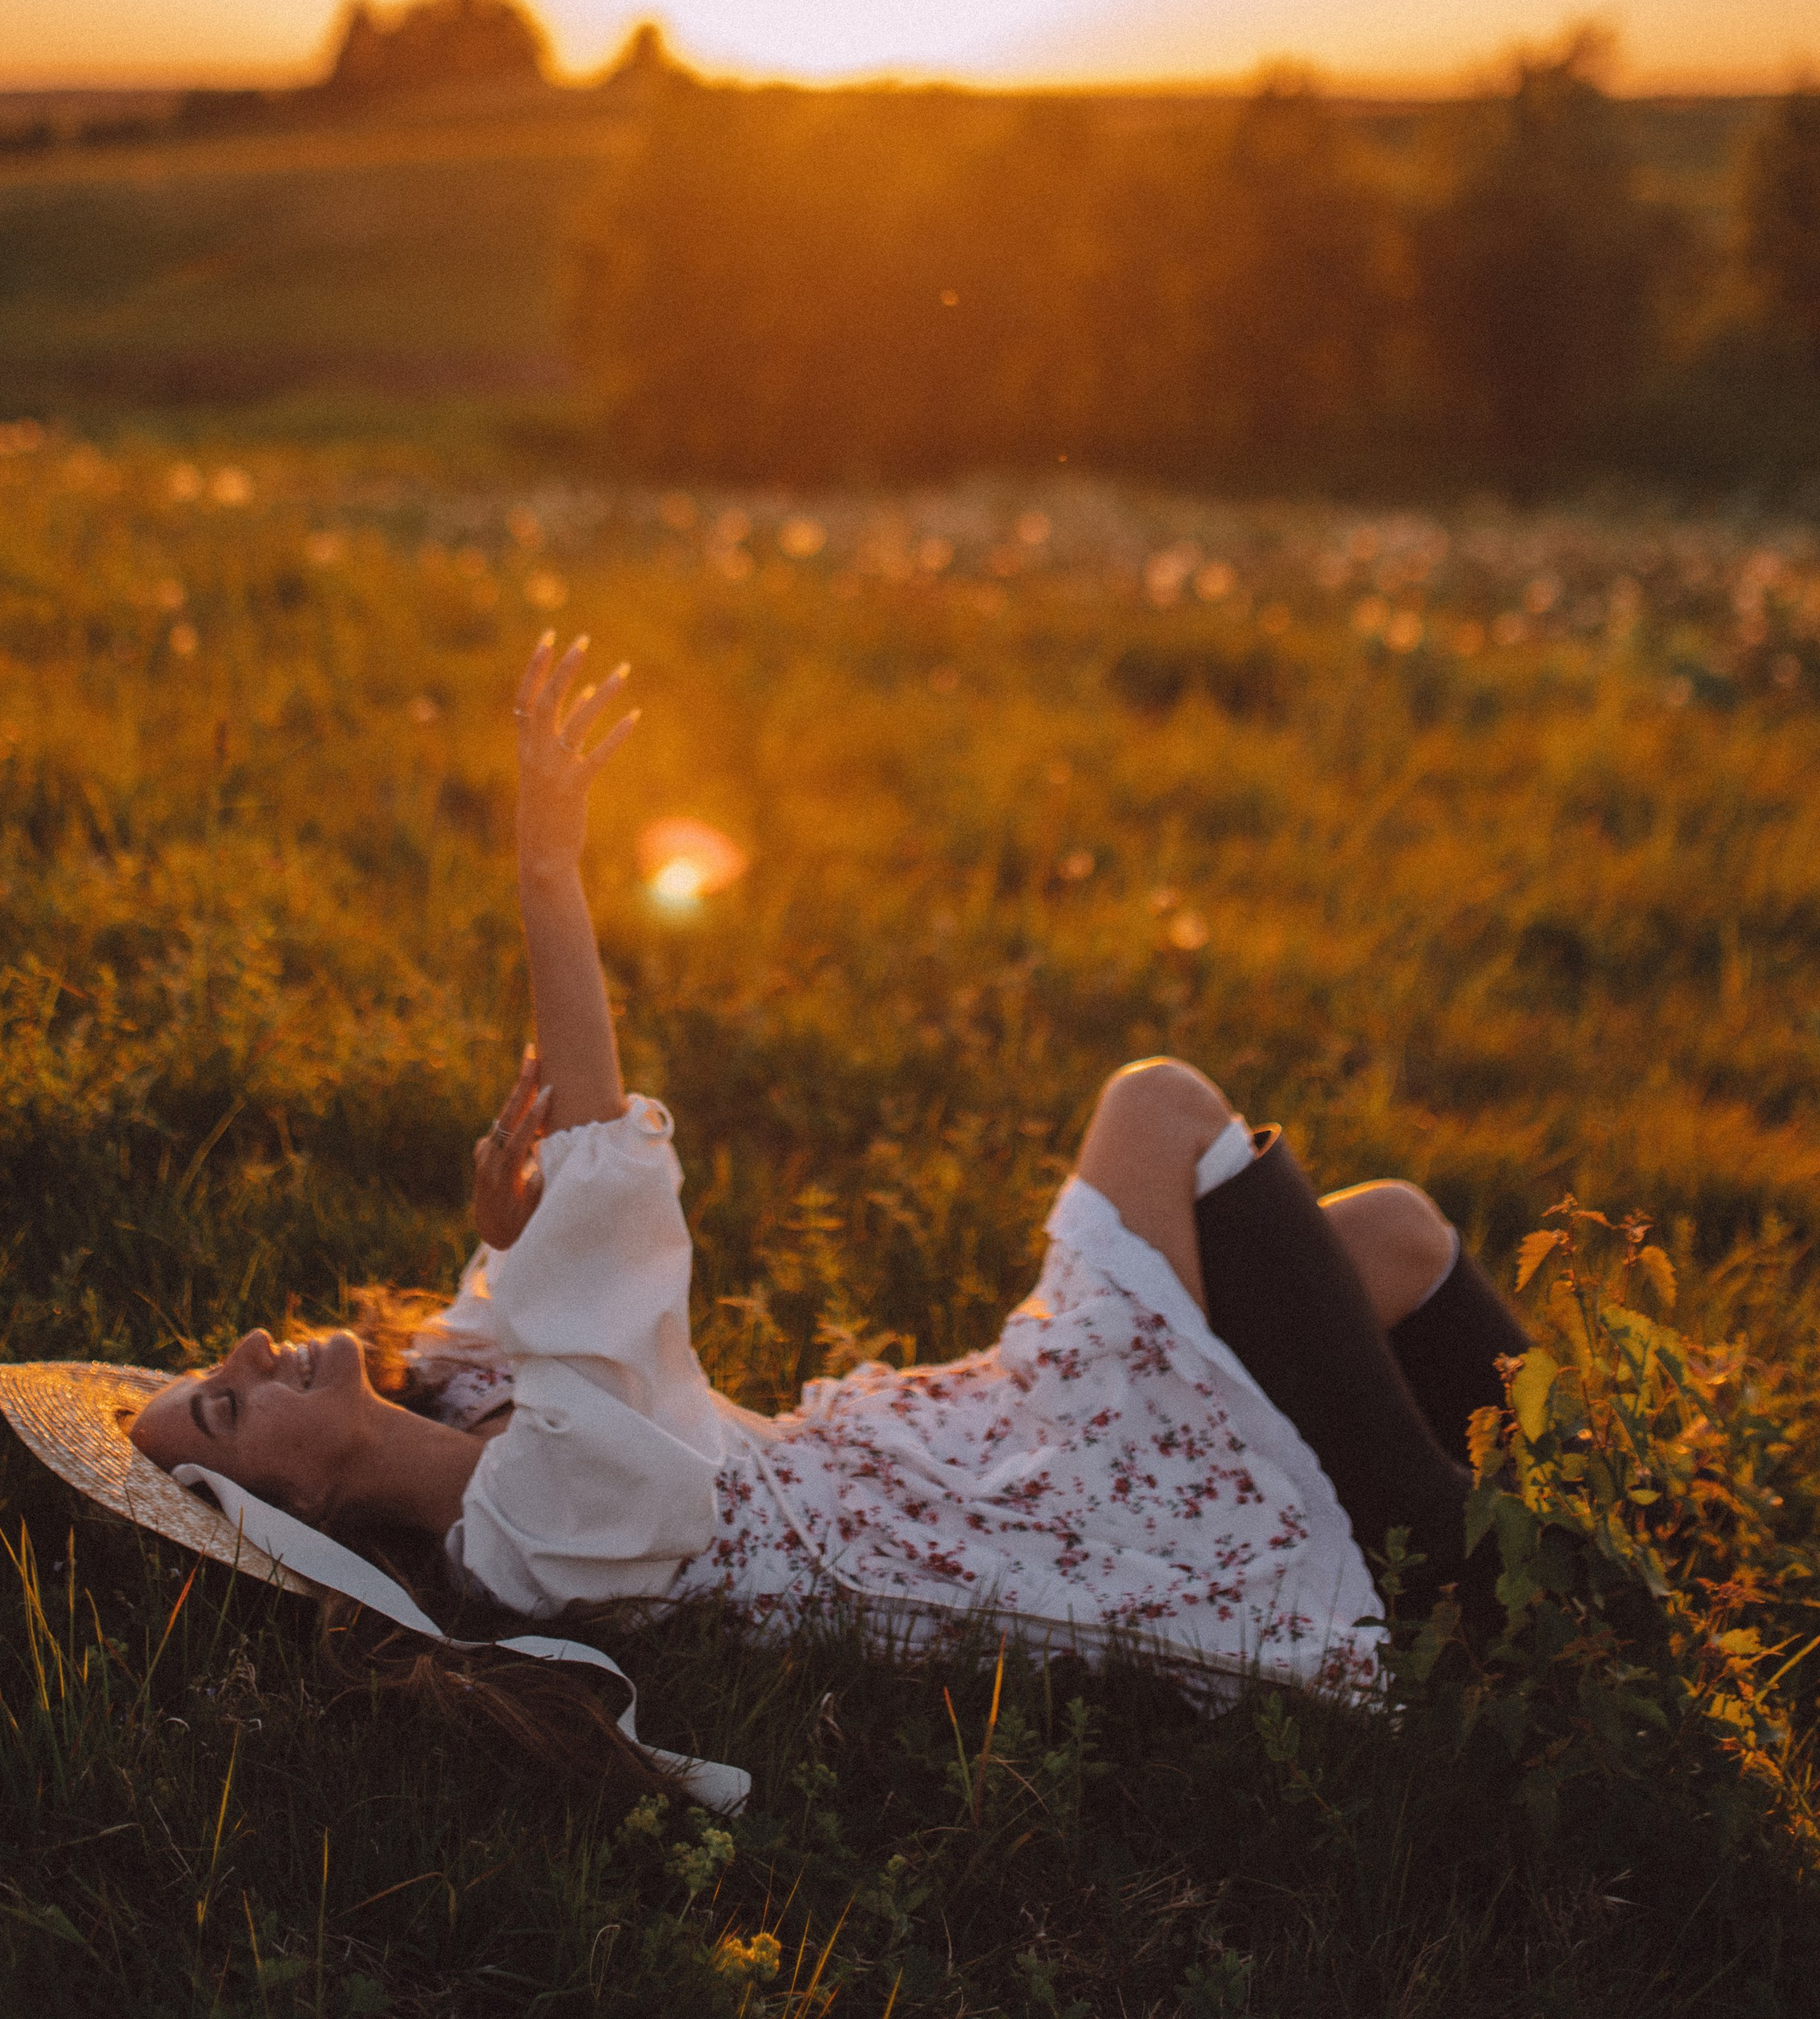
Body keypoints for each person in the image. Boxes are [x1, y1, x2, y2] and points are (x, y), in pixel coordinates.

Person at [131, 631, 1527, 1694]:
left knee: (1395, 1236)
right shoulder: (531, 1539)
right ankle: (1475, 1587)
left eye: (217, 1368)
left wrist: (506, 1227)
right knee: (1155, 1108)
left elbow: (545, 1276)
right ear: (306, 1510)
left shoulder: (453, 1391)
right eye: (230, 1409)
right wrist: (548, 871)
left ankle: (1580, 1512)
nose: (248, 1350)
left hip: (962, 1446)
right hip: (1007, 1525)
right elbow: (602, 1189)